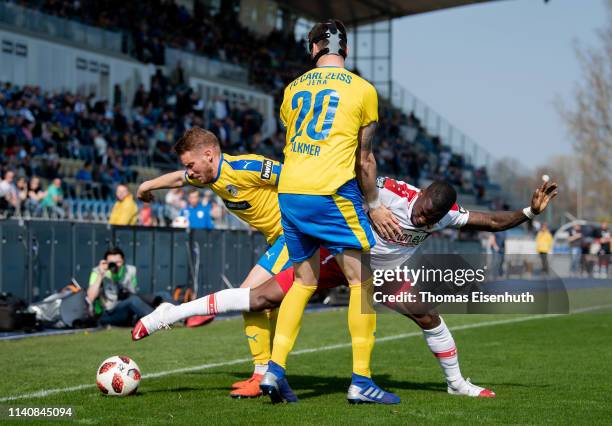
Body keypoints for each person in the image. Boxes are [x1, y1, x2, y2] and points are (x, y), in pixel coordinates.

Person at [134, 177, 558, 400]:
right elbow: (353, 182)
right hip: (341, 258)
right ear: (422, 194)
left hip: (385, 273)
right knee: (263, 298)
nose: (424, 220)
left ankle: (456, 382)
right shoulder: (391, 193)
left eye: (432, 218)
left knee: (428, 315)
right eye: (423, 212)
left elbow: (491, 221)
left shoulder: (447, 214)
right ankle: (170, 313)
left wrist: (528, 211)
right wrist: (370, 209)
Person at [262, 19, 401, 404]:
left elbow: (297, 136)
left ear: (313, 50)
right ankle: (361, 380)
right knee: (362, 283)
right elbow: (365, 158)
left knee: (303, 282)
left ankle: (275, 370)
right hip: (331, 191)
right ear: (346, 50)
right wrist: (373, 205)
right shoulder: (363, 89)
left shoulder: (292, 90)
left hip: (290, 191)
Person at [135, 127, 287, 398]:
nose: (189, 172)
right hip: (278, 241)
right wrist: (147, 185)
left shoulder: (246, 167)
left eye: (190, 165)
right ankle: (269, 373)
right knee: (264, 307)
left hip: (293, 236)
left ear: (209, 154)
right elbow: (177, 180)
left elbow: (294, 177)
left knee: (246, 298)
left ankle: (262, 374)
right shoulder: (208, 176)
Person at [87, 247, 152, 326]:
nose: (115, 265)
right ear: (106, 262)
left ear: (123, 261)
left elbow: (133, 292)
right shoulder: (97, 272)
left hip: (125, 309)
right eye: (111, 262)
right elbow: (90, 297)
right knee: (133, 300)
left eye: (118, 262)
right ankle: (157, 321)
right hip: (108, 313)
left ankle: (169, 318)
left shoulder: (130, 270)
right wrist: (100, 275)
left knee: (161, 295)